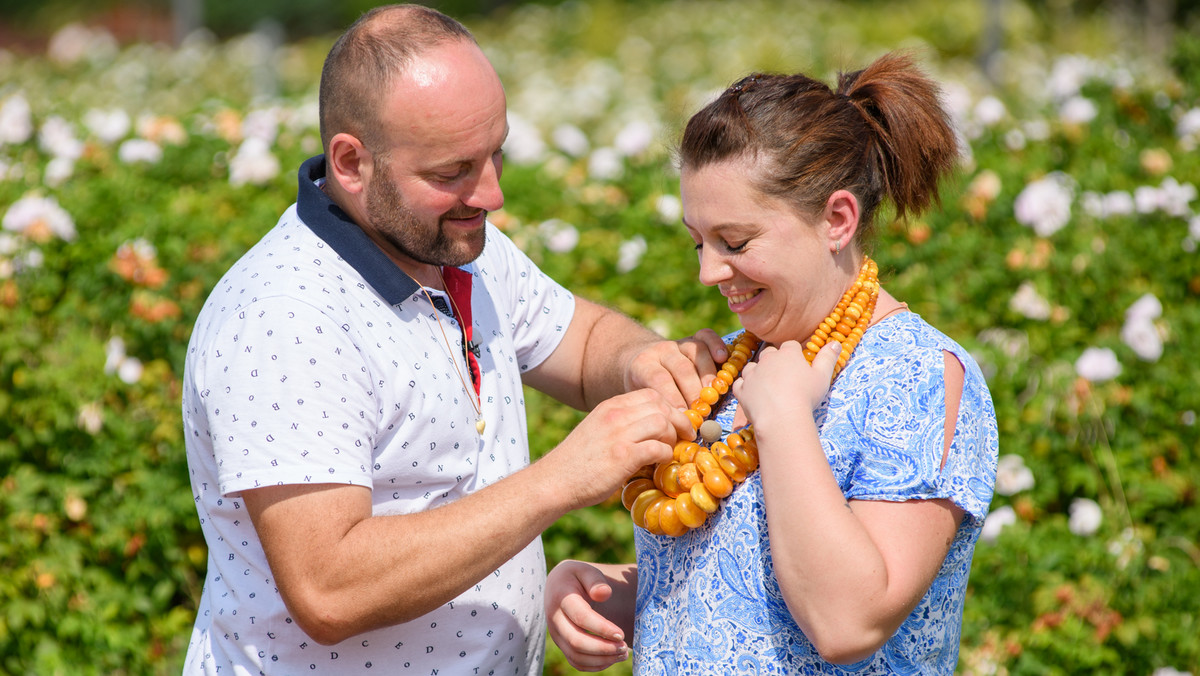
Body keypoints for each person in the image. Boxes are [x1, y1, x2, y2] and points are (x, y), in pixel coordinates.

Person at [180, 5, 725, 674]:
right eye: (452, 172)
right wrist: (560, 479)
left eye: (496, 152)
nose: (491, 194)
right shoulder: (286, 316)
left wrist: (644, 362)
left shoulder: (454, 244)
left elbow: (582, 345)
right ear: (351, 162)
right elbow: (328, 588)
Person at [545, 52, 1000, 674]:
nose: (708, 272)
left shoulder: (919, 375)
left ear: (837, 219)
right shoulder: (732, 364)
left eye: (735, 242)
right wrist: (609, 593)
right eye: (697, 242)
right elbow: (732, 587)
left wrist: (784, 420)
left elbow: (849, 621)